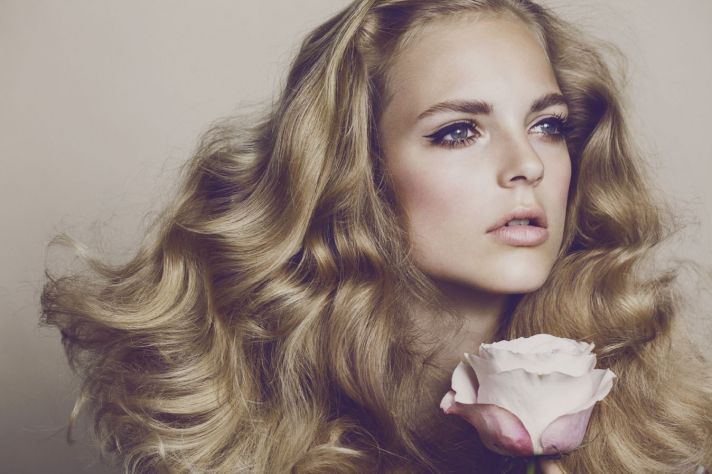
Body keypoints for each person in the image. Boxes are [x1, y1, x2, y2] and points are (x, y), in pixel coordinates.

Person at [41, 0, 712, 472]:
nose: (528, 164)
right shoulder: (249, 420)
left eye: (548, 125)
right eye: (459, 131)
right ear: (356, 171)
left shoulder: (637, 405)